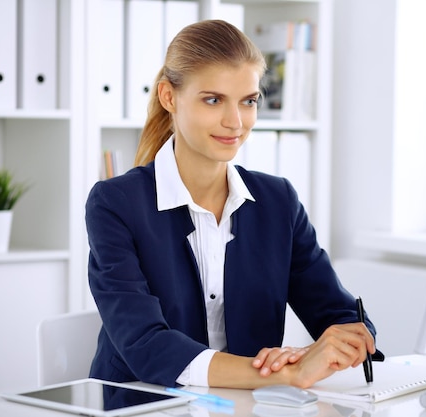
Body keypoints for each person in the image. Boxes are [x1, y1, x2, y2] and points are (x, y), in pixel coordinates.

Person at [85, 19, 380, 390]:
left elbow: (339, 313)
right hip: (140, 403)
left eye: (249, 101)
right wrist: (287, 372)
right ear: (168, 97)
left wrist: (343, 341)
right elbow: (146, 346)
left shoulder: (278, 202)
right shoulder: (116, 205)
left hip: (245, 406)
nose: (235, 122)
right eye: (213, 100)